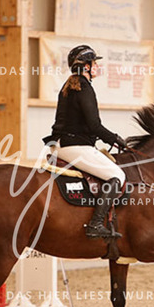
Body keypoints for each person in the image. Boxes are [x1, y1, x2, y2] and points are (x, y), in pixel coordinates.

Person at [43, 45, 128, 239]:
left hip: (61, 144)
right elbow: (94, 125)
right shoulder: (84, 88)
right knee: (117, 175)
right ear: (86, 67)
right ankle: (95, 224)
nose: (97, 66)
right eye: (94, 63)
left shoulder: (69, 86)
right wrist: (116, 139)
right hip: (75, 146)